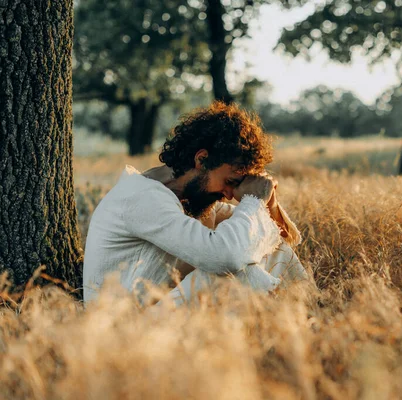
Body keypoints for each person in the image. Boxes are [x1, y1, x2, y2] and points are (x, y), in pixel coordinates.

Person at [82, 102, 308, 306]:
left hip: (157, 315)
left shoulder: (190, 198)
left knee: (258, 245)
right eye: (229, 182)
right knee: (229, 270)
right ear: (201, 159)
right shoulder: (142, 198)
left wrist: (268, 199)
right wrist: (254, 200)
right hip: (120, 329)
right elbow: (224, 257)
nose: (230, 195)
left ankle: (309, 311)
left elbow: (278, 236)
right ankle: (297, 322)